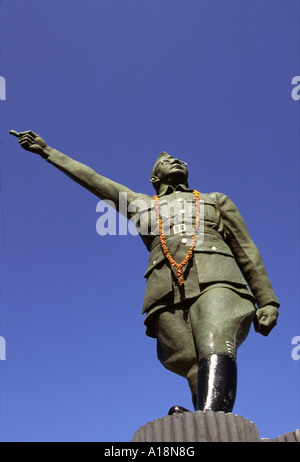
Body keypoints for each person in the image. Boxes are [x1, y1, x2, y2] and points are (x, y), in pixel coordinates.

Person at [9, 129, 279, 414]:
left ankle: (210, 418)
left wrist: (268, 300)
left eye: (179, 160)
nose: (176, 160)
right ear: (154, 178)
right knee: (189, 359)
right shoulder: (141, 205)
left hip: (219, 279)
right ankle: (202, 417)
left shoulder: (216, 201)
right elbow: (94, 181)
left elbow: (246, 250)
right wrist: (47, 151)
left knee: (215, 338)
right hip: (165, 290)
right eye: (167, 161)